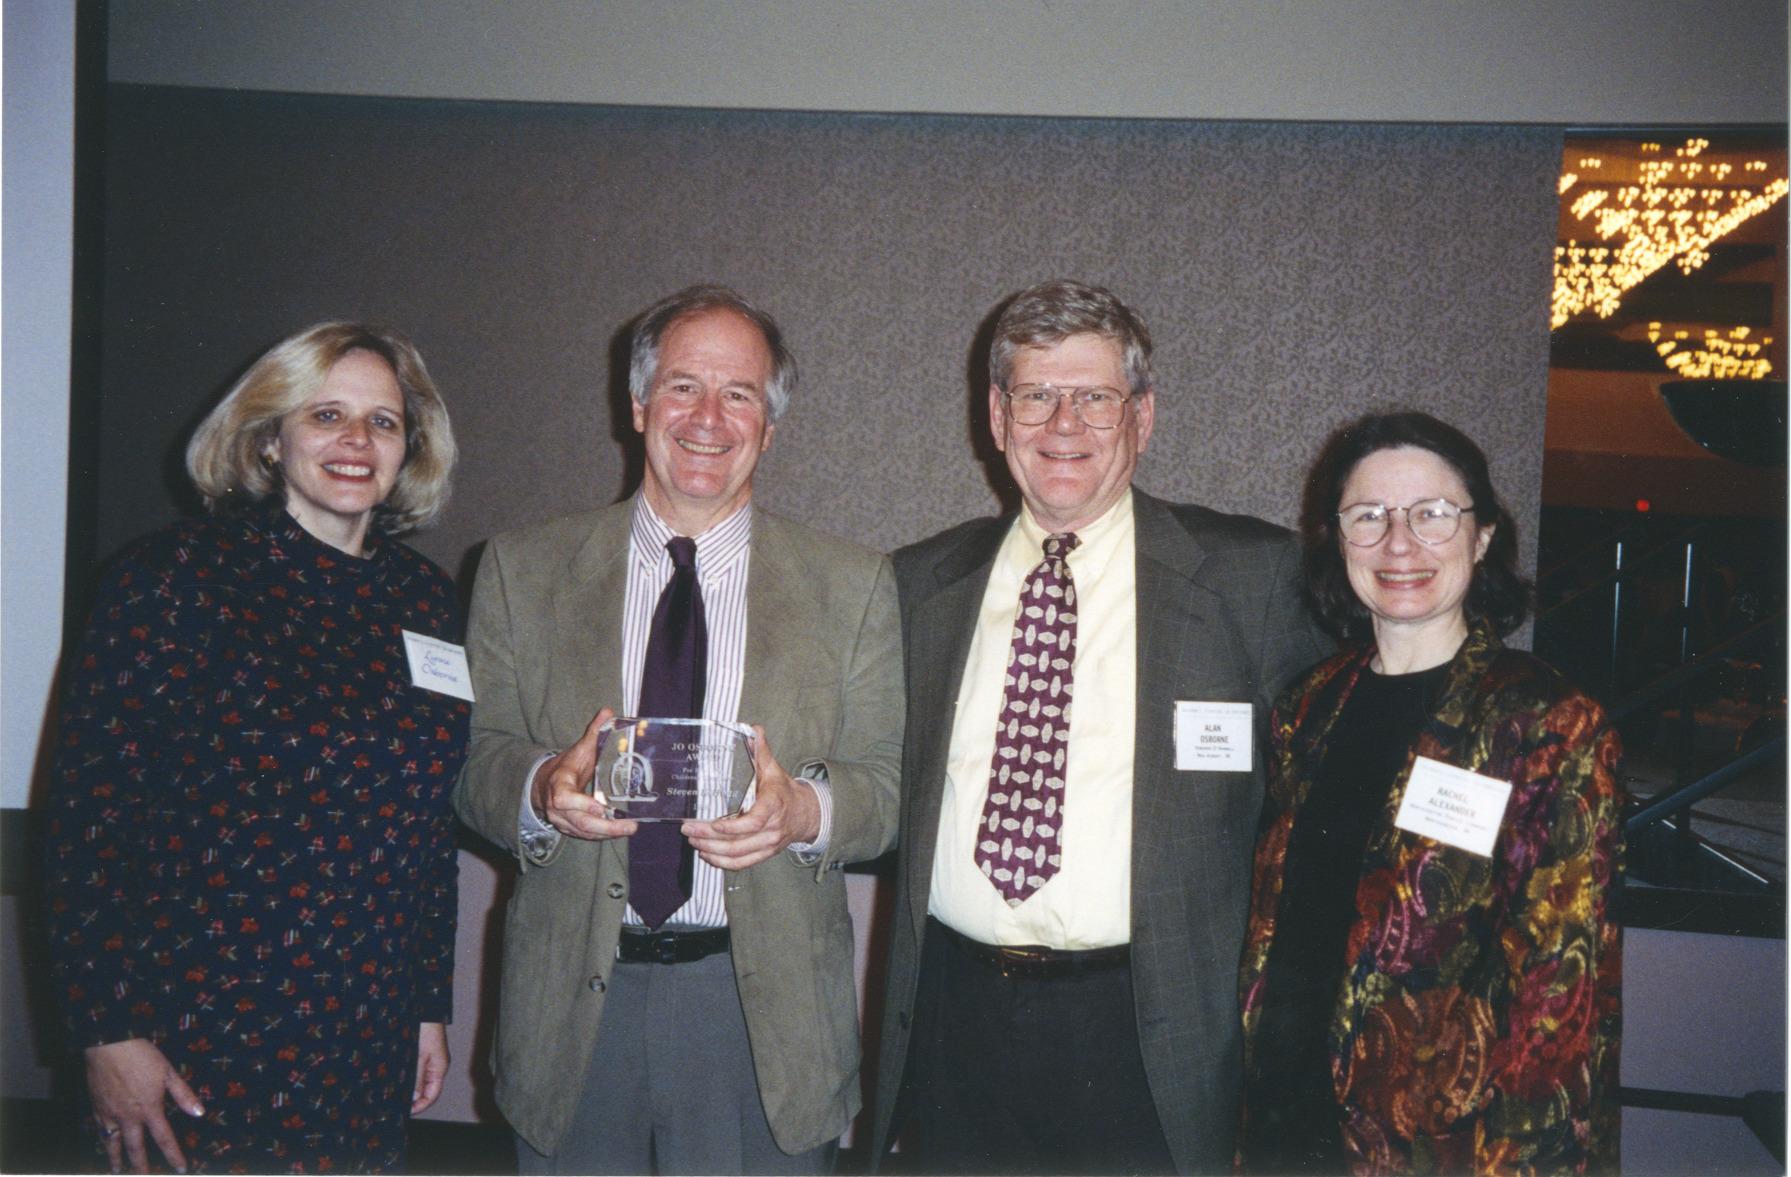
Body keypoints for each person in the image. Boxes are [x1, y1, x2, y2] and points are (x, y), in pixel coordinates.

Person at [870, 279, 1329, 1175]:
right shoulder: (918, 584)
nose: (1063, 423)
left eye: (1094, 397)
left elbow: (1325, 799)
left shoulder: (1251, 579)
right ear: (996, 417)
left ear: (1141, 417)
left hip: (1149, 1028)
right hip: (958, 1019)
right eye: (1036, 395)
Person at [452, 285, 902, 1175]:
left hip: (760, 1018)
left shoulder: (853, 585)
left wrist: (802, 812)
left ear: (769, 426)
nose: (707, 418)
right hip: (573, 1011)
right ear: (637, 405)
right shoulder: (519, 568)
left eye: (739, 394)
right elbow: (470, 766)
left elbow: (888, 789)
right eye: (683, 386)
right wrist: (541, 788)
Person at [45, 322, 468, 1174]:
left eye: (383, 422)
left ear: (409, 449)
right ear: (271, 438)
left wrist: (427, 1003)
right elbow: (89, 822)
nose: (357, 440)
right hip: (203, 1031)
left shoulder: (425, 601)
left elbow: (428, 825)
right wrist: (107, 1031)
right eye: (326, 415)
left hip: (366, 1029)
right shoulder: (172, 580)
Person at [1236, 410, 1623, 1174]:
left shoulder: (1546, 723)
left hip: (1442, 1148)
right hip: (1284, 1118)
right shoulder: (1307, 706)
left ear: (1481, 538)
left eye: (1433, 513)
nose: (1398, 542)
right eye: (1368, 515)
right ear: (1336, 537)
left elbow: (1560, 1005)